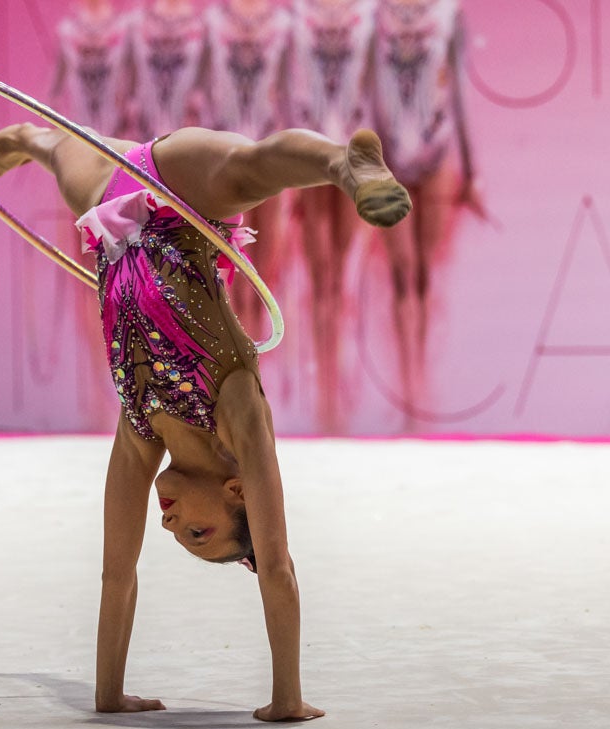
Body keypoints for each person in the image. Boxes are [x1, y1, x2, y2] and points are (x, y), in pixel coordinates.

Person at [0, 120, 410, 720]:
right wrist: (286, 699)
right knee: (250, 170)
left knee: (56, 150)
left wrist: (109, 695)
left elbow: (116, 574)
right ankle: (347, 165)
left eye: (179, 540)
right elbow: (274, 565)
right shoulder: (236, 410)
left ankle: (18, 138)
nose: (170, 527)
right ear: (234, 490)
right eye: (199, 532)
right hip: (180, 197)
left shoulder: (140, 432)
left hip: (114, 216)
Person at [369, 0, 482, 422]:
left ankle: (423, 386)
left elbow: (459, 92)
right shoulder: (374, 15)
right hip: (388, 158)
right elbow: (365, 93)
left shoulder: (449, 15)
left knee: (426, 275)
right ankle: (407, 390)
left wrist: (471, 169)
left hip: (436, 152)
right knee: (403, 273)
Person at [288, 0, 376, 431]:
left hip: (354, 150)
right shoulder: (298, 16)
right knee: (321, 277)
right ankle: (322, 394)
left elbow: (376, 86)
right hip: (310, 152)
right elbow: (289, 88)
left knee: (341, 278)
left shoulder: (368, 15)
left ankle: (338, 390)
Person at [202, 0, 294, 347]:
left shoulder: (282, 24)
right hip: (225, 160)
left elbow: (287, 97)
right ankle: (234, 361)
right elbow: (200, 94)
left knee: (265, 272)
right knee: (228, 271)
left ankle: (257, 368)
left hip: (268, 157)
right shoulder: (213, 22)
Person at [123, 0, 208, 134]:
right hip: (145, 120)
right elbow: (129, 68)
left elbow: (206, 70)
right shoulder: (136, 22)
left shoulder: (203, 23)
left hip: (185, 123)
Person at [51, 0, 130, 138]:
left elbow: (132, 68)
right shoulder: (68, 29)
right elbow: (62, 66)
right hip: (82, 109)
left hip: (114, 111)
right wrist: (54, 96)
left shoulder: (124, 26)